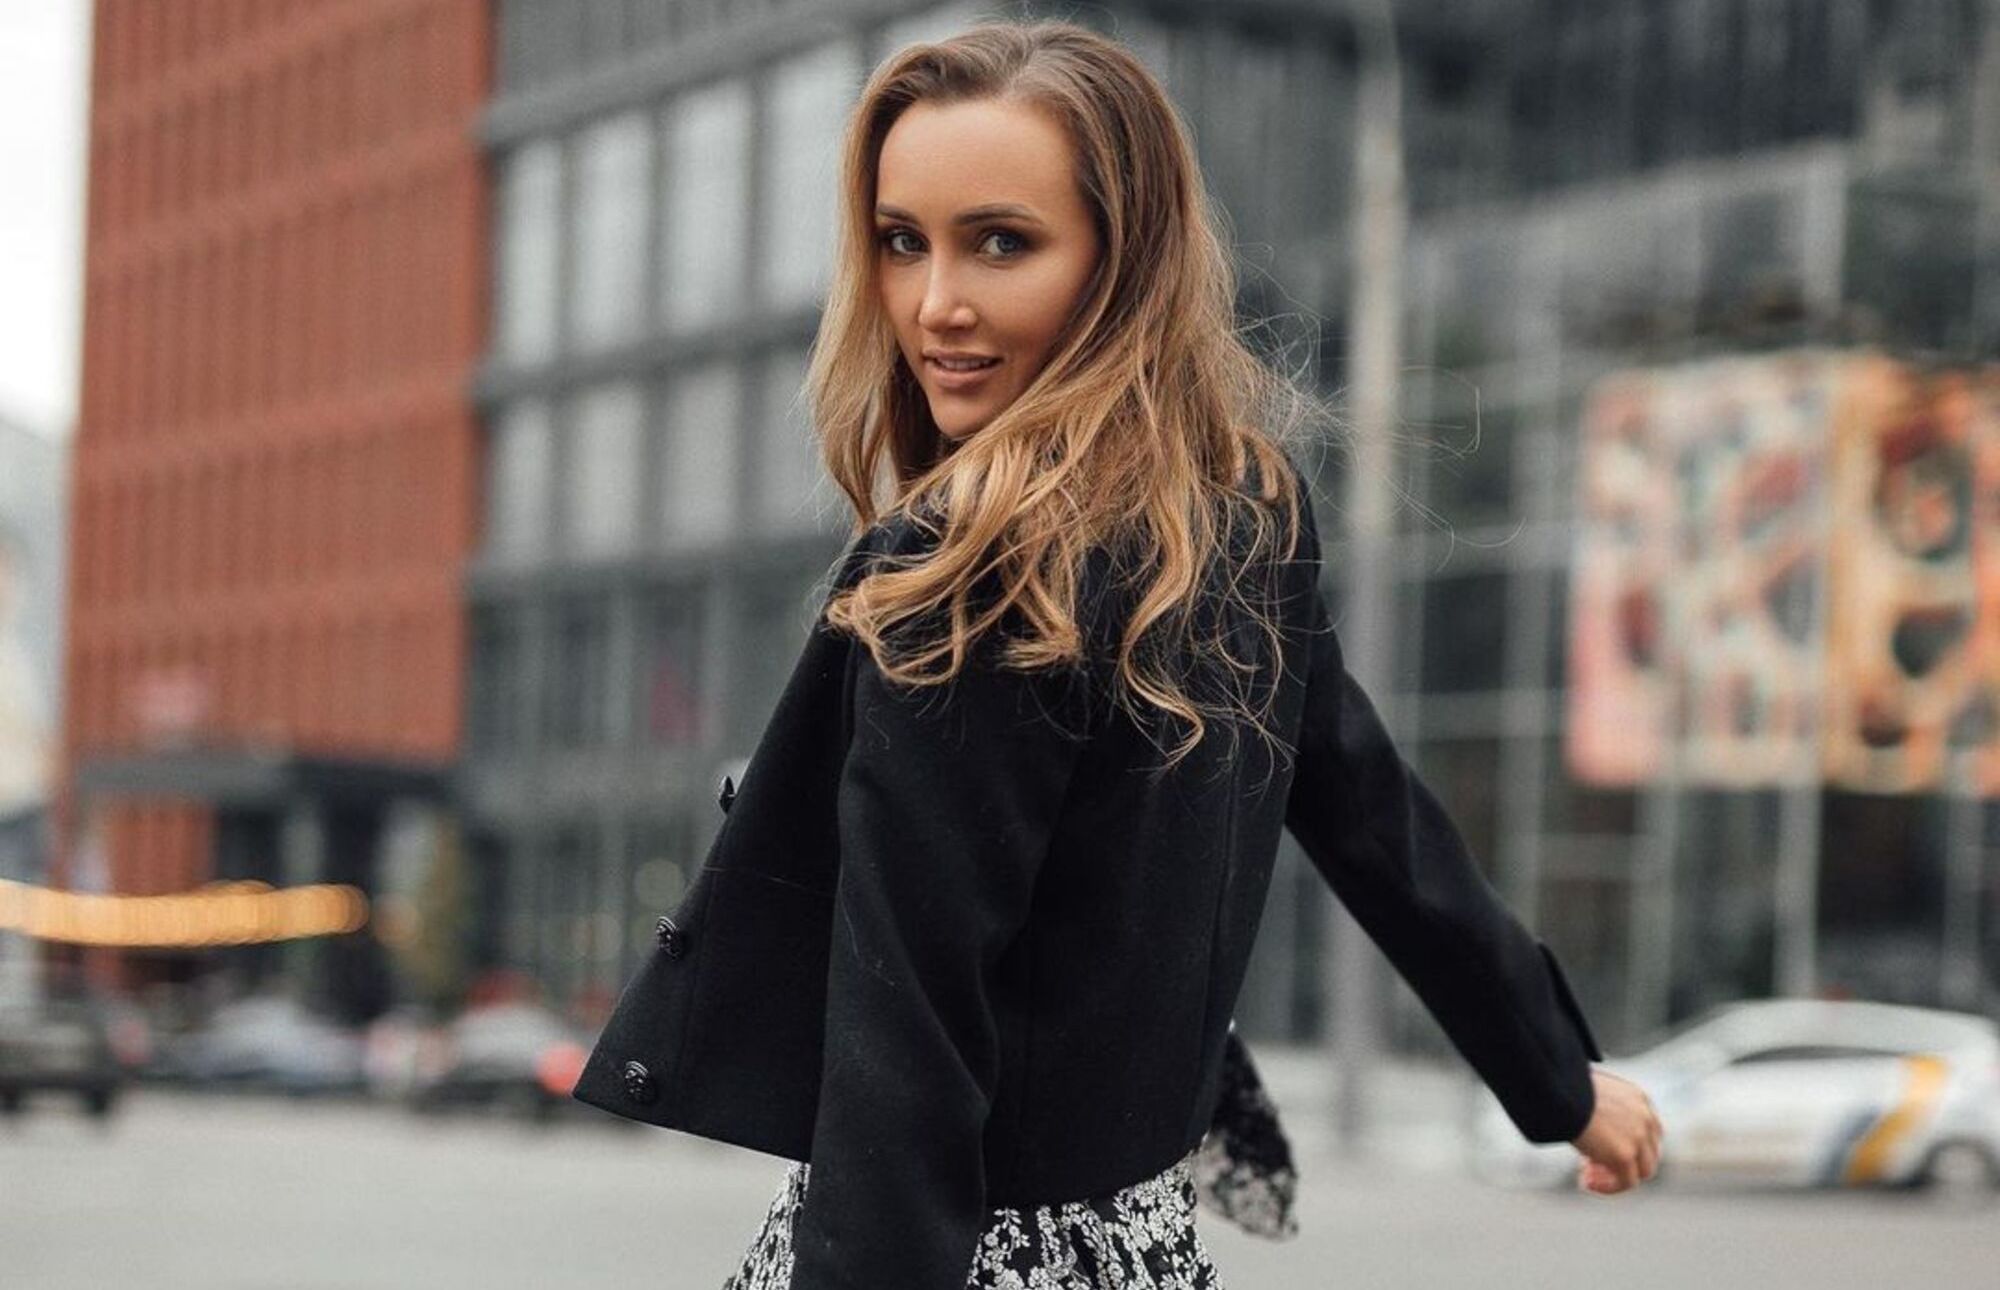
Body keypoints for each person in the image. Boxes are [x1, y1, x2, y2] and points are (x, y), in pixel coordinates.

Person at [571, 19, 1663, 1288]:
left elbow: (906, 1035)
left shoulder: (970, 573)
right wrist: (1554, 1077)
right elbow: (1376, 822)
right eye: (901, 241)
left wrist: (1553, 1078)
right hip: (1130, 1250)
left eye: (1001, 242)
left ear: (1122, 259)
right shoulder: (1233, 515)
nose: (935, 305)